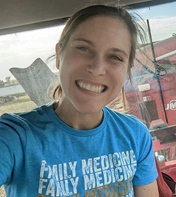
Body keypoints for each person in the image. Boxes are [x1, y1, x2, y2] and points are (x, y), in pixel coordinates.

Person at [0, 5, 159, 197]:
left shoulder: (136, 135)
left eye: (115, 57)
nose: (97, 68)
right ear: (59, 55)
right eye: (84, 48)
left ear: (127, 69)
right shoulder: (15, 136)